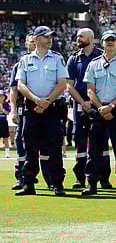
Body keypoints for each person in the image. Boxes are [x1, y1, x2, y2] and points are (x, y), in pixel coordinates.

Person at [82, 30, 116, 196]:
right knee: (94, 150)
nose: (110, 43)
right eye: (107, 40)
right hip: (98, 110)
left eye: (113, 40)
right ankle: (92, 183)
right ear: (102, 43)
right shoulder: (93, 64)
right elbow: (90, 91)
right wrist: (101, 108)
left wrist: (111, 106)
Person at [15, 26, 68, 196]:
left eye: (50, 36)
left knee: (54, 147)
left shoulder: (57, 59)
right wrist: (36, 100)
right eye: (45, 37)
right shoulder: (25, 60)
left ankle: (57, 183)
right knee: (30, 148)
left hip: (52, 109)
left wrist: (46, 101)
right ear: (36, 39)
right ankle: (28, 184)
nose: (49, 39)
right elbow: (20, 85)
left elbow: (62, 84)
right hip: (32, 109)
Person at [66, 28, 112, 190]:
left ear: (91, 38)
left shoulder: (102, 56)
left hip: (98, 104)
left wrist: (94, 103)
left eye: (81, 36)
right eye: (77, 36)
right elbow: (69, 86)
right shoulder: (73, 59)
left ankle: (104, 178)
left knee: (102, 143)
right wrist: (82, 102)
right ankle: (80, 178)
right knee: (80, 142)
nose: (78, 38)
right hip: (80, 104)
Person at [10, 34, 52, 190]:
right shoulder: (20, 64)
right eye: (31, 42)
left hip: (46, 108)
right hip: (25, 109)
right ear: (27, 44)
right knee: (23, 144)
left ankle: (50, 178)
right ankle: (22, 178)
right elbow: (14, 90)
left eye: (36, 41)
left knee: (47, 144)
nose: (34, 44)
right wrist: (13, 110)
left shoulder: (49, 61)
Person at [0, 90, 10, 158]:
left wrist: (2, 109)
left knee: (5, 138)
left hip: (3, 122)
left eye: (2, 96)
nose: (1, 97)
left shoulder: (6, 104)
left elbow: (8, 113)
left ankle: (7, 153)